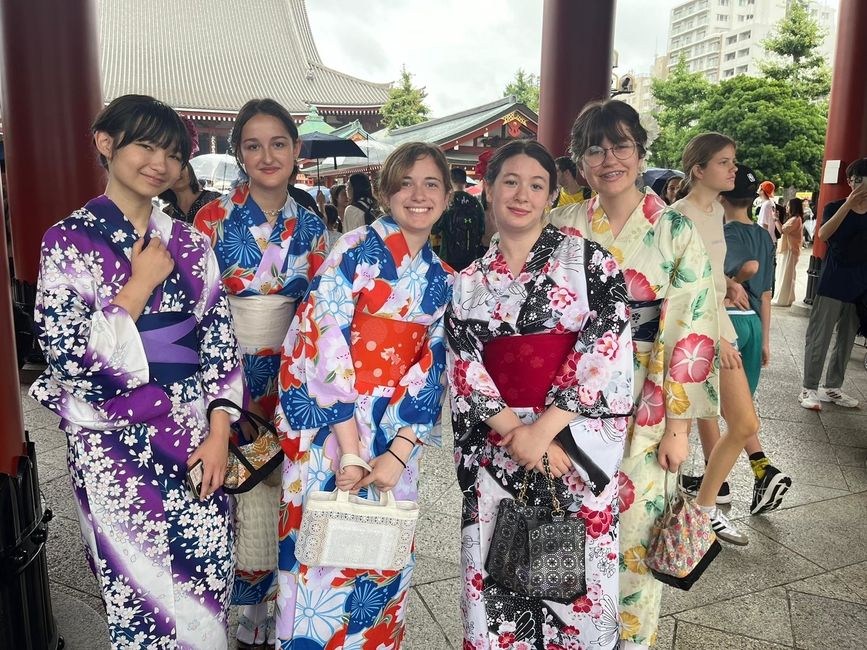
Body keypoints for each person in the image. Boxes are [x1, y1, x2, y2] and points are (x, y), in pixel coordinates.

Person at [29, 94, 244, 648]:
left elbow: (220, 344)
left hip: (196, 433)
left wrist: (221, 433)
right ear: (106, 143)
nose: (160, 164)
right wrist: (140, 286)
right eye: (145, 146)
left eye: (172, 154)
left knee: (205, 581)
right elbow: (65, 351)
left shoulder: (194, 244)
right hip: (112, 448)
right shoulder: (68, 240)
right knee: (137, 593)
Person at [446, 139, 632, 648]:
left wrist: (546, 431)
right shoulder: (466, 283)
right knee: (497, 585)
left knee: (579, 593)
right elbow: (464, 364)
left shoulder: (591, 263)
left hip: (571, 445)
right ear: (487, 190)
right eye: (510, 182)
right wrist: (517, 433)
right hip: (499, 446)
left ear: (552, 196)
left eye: (536, 185)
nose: (521, 195)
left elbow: (607, 343)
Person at [549, 100, 721, 650]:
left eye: (621, 145)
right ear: (579, 162)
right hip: (570, 405)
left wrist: (678, 427)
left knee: (635, 542)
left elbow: (690, 331)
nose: (608, 159)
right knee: (570, 533)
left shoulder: (674, 231)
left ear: (642, 153)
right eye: (594, 149)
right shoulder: (562, 226)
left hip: (646, 406)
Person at [273, 142, 454, 647]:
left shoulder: (441, 279)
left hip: (397, 434)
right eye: (405, 183)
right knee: (320, 555)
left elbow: (432, 364)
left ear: (448, 195)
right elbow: (322, 337)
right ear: (384, 192)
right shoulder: (351, 251)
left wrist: (400, 451)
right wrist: (351, 448)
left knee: (383, 559)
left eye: (431, 184)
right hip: (333, 426)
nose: (418, 195)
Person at [193, 98, 327, 649]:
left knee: (281, 496)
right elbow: (195, 309)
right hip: (228, 374)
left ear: (296, 151)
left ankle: (277, 623)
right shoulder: (210, 221)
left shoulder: (314, 227)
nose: (266, 155)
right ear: (239, 154)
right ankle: (228, 625)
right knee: (233, 493)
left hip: (294, 375)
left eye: (278, 144)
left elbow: (326, 315)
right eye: (253, 145)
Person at [672, 134, 789, 530]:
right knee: (684, 429)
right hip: (695, 337)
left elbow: (709, 276)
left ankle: (705, 507)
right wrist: (717, 336)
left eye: (733, 161)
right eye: (724, 162)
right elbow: (681, 286)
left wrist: (730, 284)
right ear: (698, 170)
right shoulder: (679, 215)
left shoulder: (713, 215)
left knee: (743, 425)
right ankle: (704, 507)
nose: (733, 169)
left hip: (722, 330)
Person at [799, 157, 867, 410]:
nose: (854, 183)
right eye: (853, 179)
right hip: (833, 282)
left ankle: (833, 387)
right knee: (820, 336)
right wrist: (849, 204)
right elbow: (823, 234)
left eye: (858, 178)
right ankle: (809, 387)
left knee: (847, 339)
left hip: (860, 286)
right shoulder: (835, 206)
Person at [431, 166, 485, 271]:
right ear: (465, 182)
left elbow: (434, 229)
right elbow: (482, 228)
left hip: (448, 256)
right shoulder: (475, 203)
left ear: (450, 182)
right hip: (470, 257)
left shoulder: (446, 202)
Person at [774, 198, 804, 306]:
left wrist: (776, 219)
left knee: (785, 275)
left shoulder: (795, 219)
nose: (787, 208)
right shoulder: (796, 219)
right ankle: (787, 299)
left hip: (790, 250)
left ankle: (782, 300)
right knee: (787, 275)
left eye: (788, 206)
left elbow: (782, 230)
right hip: (790, 249)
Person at [757, 180, 781, 247]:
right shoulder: (770, 203)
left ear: (762, 190)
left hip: (765, 242)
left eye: (760, 187)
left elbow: (764, 225)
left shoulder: (766, 205)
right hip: (770, 240)